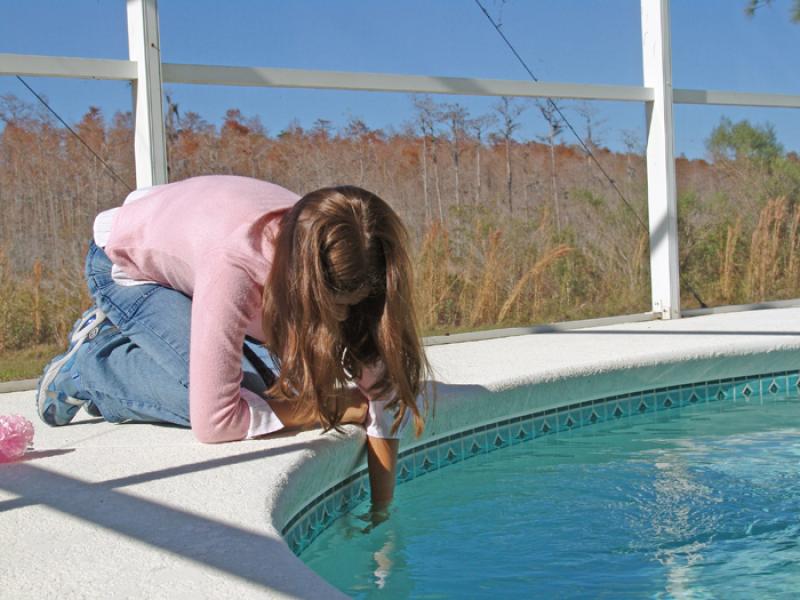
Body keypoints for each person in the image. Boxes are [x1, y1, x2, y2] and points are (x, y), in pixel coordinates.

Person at [36, 175, 434, 509]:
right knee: (240, 399)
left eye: (355, 306)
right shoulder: (235, 266)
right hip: (126, 265)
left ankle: (156, 334)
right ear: (304, 281)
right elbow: (215, 424)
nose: (346, 319)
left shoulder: (343, 249)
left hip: (196, 255)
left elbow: (382, 398)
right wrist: (334, 405)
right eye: (336, 307)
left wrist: (383, 514)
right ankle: (91, 363)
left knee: (280, 390)